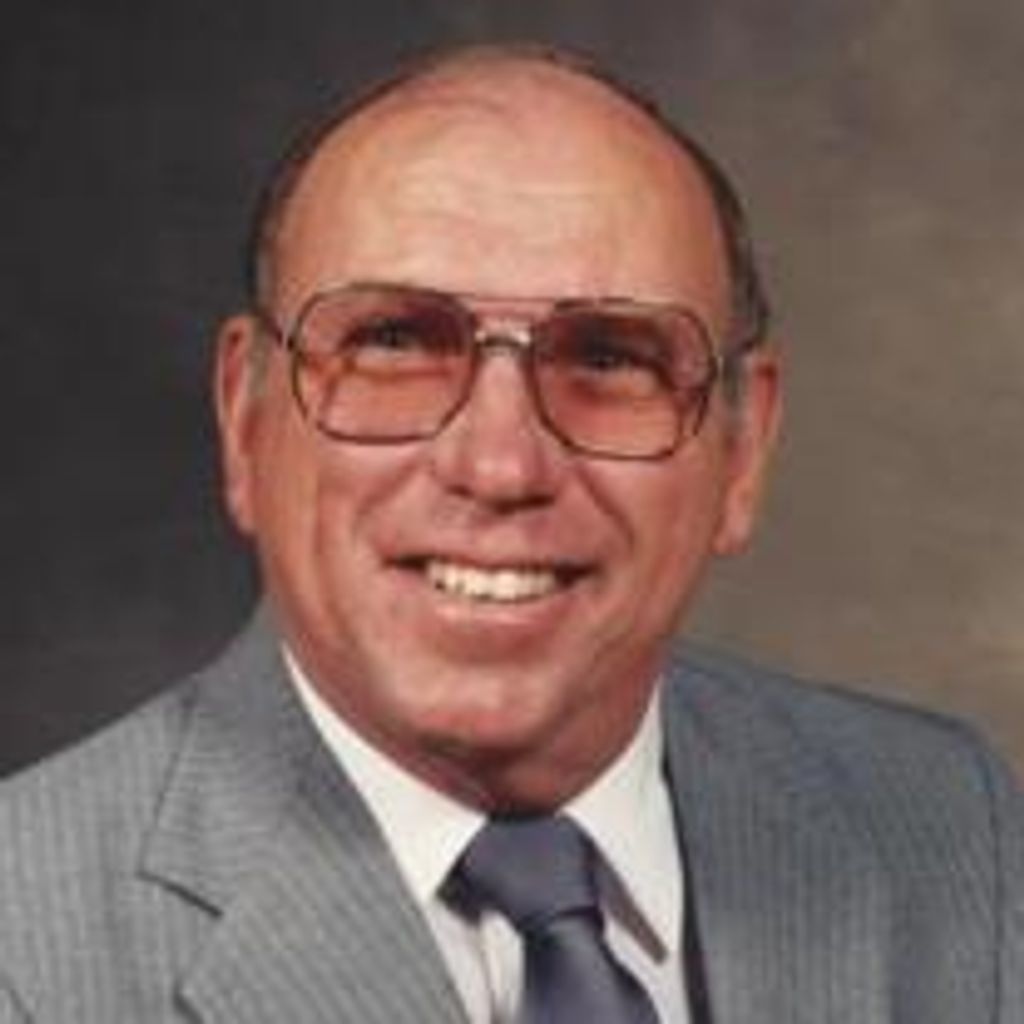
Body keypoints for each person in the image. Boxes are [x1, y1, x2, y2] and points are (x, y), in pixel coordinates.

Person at [0, 43, 1020, 1024]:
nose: (501, 467)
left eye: (610, 358)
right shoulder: (23, 949)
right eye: (394, 341)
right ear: (245, 418)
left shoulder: (946, 822)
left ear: (742, 448)